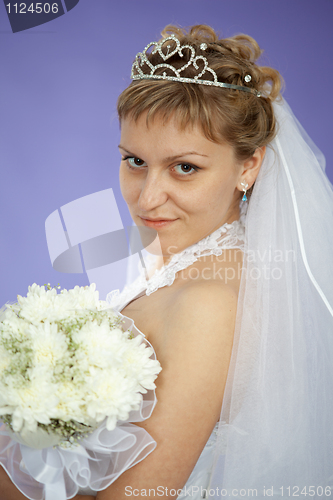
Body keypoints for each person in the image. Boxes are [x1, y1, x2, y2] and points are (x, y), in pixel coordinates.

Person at [1, 24, 333, 500]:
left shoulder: (209, 305)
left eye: (185, 167)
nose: (148, 198)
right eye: (135, 161)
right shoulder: (180, 265)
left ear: (249, 166)